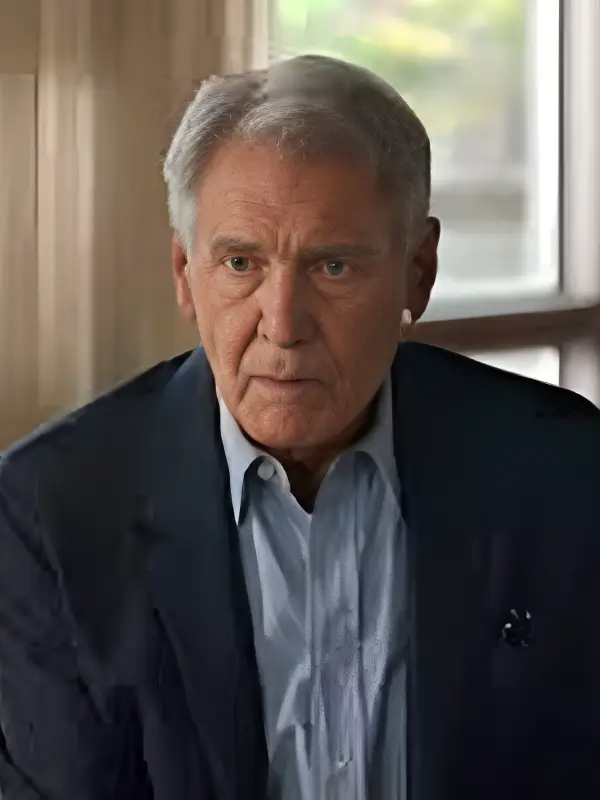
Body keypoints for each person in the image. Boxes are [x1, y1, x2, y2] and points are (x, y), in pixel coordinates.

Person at [1, 54, 600, 800]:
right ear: (186, 274)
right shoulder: (49, 512)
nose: (282, 325)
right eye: (241, 263)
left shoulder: (563, 470)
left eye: (333, 268)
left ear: (418, 272)